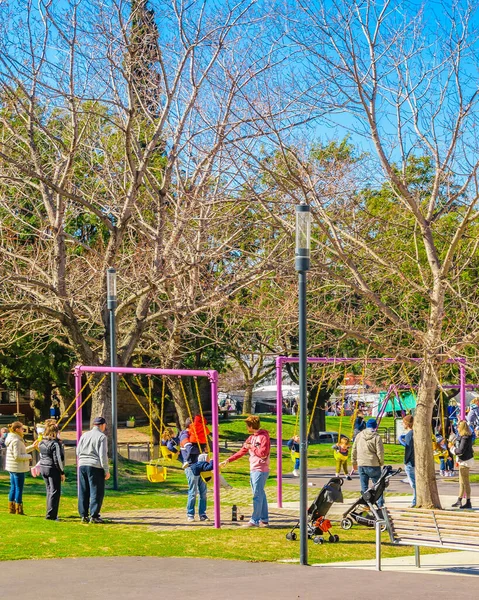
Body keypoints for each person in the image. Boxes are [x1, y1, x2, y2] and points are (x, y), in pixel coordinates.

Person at [220, 415, 271, 528]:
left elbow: (263, 453)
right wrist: (228, 460)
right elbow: (242, 451)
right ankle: (265, 519)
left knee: (257, 495)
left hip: (261, 469)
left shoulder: (264, 437)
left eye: (247, 426)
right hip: (253, 468)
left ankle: (254, 520)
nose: (246, 428)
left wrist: (251, 447)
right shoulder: (251, 438)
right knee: (260, 493)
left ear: (251, 426)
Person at [76, 416, 110, 523]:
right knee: (96, 491)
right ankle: (94, 515)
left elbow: (78, 451)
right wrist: (106, 470)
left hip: (82, 464)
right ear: (102, 425)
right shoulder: (102, 437)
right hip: (95, 465)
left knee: (84, 490)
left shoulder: (84, 435)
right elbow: (102, 455)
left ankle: (83, 515)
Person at [5, 421, 38, 514]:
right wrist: (29, 457)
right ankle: (18, 508)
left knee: (13, 487)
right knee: (18, 488)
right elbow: (18, 456)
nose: (23, 430)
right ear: (17, 429)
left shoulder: (12, 438)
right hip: (17, 468)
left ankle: (11, 507)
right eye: (22, 428)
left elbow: (22, 451)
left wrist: (32, 447)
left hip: (12, 467)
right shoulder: (16, 441)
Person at [351, 418, 385, 507]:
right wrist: (381, 462)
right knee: (378, 486)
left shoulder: (359, 435)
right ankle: (380, 504)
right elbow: (380, 452)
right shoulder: (377, 437)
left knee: (364, 486)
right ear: (375, 426)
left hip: (361, 463)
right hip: (373, 463)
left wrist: (354, 461)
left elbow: (354, 449)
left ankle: (366, 504)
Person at [38, 419, 65, 520]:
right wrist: (62, 472)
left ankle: (49, 512)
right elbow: (57, 459)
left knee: (49, 491)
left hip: (44, 467)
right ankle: (51, 515)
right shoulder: (55, 444)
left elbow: (41, 455)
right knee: (55, 491)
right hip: (52, 469)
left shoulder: (42, 442)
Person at [450, 420, 474, 509]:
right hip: (463, 461)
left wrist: (452, 448)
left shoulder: (465, 438)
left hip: (465, 462)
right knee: (462, 482)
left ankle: (468, 501)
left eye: (458, 426)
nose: (457, 428)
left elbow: (460, 451)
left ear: (462, 428)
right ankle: (459, 500)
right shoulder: (464, 437)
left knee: (465, 482)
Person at [184, 451, 210, 523]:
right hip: (192, 469)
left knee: (203, 492)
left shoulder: (202, 442)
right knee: (193, 492)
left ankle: (202, 514)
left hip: (202, 469)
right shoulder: (187, 443)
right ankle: (190, 514)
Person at [399, 415, 415, 507]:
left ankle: (415, 500)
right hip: (414, 460)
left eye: (403, 422)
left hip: (410, 462)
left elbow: (408, 449)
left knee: (413, 483)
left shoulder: (409, 435)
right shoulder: (413, 433)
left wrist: (405, 460)